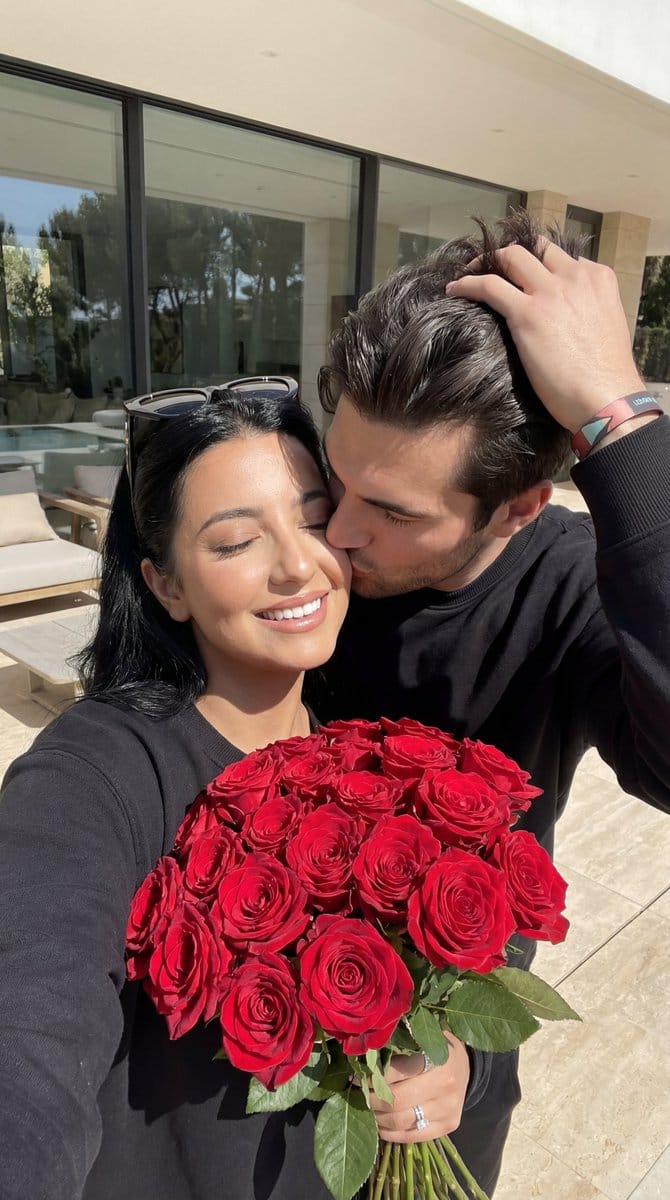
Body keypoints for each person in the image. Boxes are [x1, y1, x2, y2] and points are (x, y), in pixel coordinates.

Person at [318, 211, 670, 1194]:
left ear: (518, 508)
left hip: (441, 1079)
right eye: (335, 476)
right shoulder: (293, 524)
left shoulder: (566, 588)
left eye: (390, 512)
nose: (334, 534)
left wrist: (620, 419)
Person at [0, 380, 352, 1200]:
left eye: (311, 517)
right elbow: (32, 1027)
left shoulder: (366, 741)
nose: (299, 564)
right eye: (235, 543)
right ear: (165, 585)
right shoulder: (97, 773)